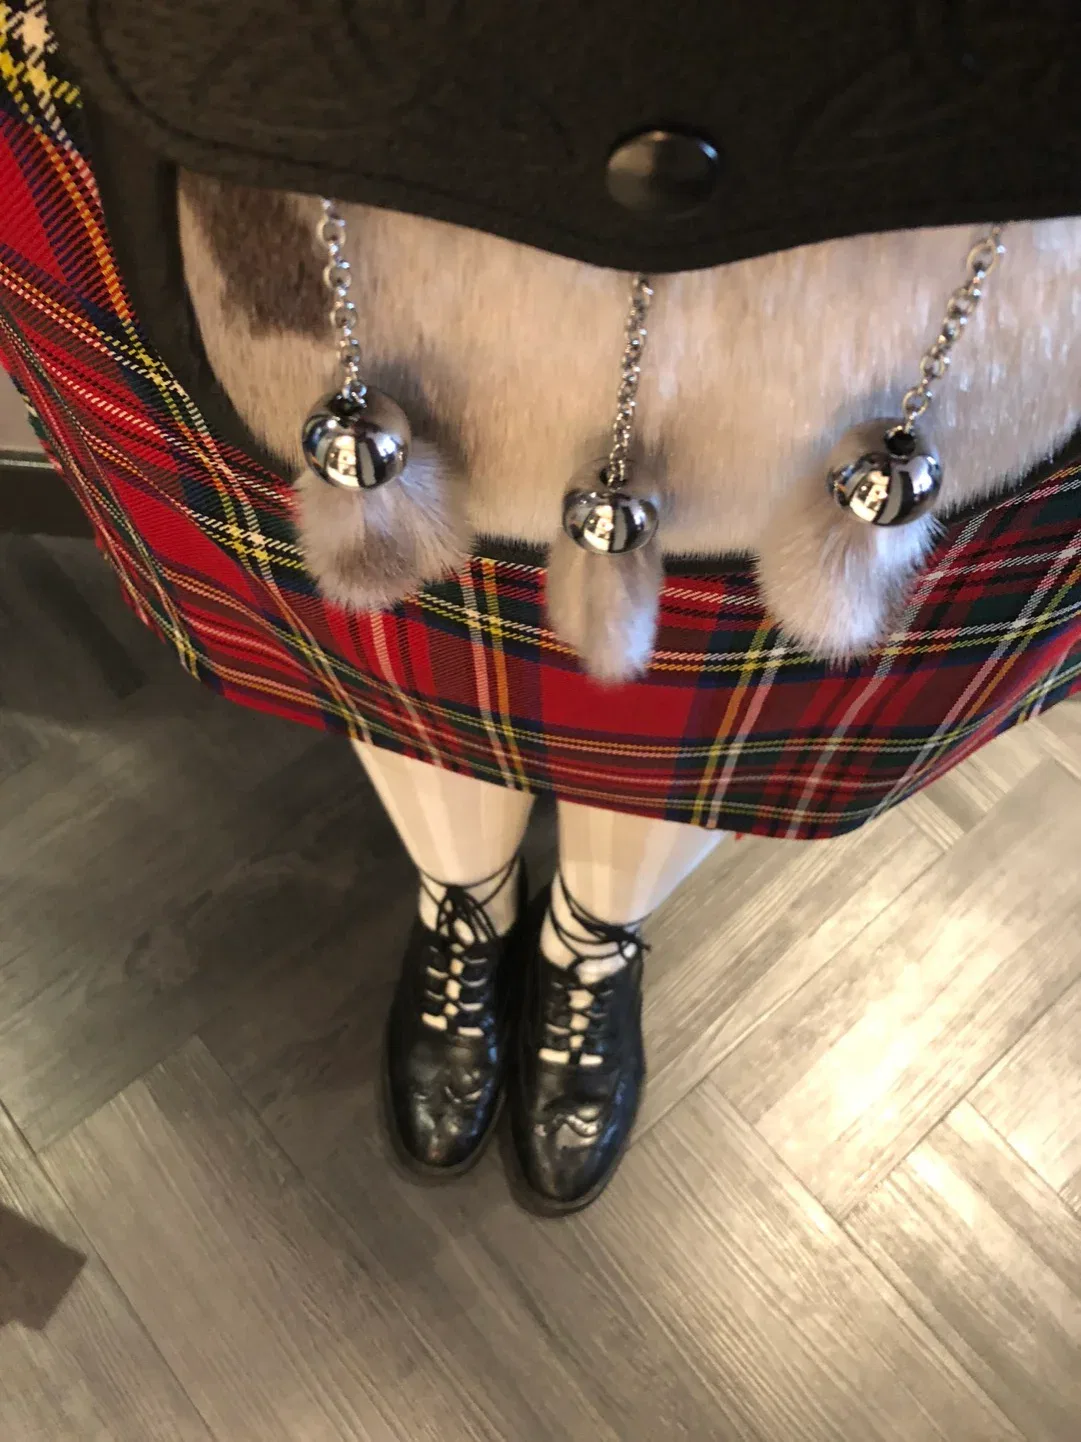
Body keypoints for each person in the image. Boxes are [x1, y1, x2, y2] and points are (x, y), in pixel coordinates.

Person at [3, 0, 1081, 1214]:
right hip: (292, 167)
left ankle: (591, 932)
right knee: (397, 659)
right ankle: (464, 895)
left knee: (706, 705)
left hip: (954, 247)